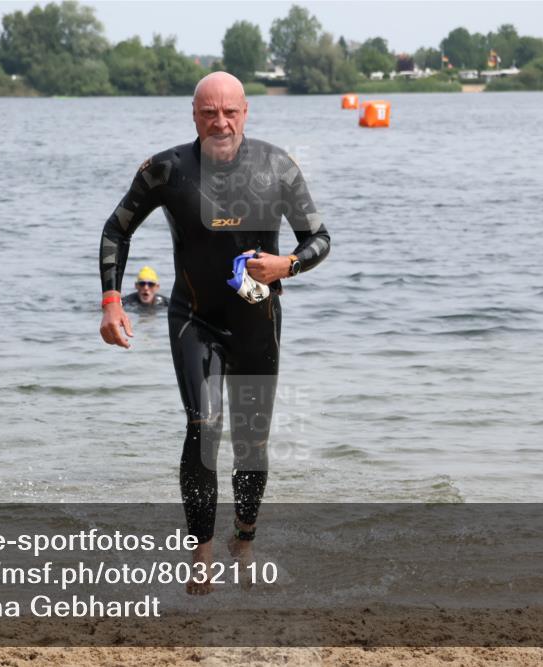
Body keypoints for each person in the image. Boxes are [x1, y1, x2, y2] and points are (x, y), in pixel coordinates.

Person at [98, 71, 330, 594]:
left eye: (230, 112)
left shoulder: (277, 166)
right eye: (209, 113)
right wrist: (113, 299)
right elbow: (117, 228)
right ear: (195, 117)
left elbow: (319, 237)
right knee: (203, 426)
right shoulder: (166, 170)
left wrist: (286, 265)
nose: (220, 122)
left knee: (252, 443)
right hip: (194, 318)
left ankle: (243, 541)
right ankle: (201, 550)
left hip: (257, 318)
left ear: (246, 113)